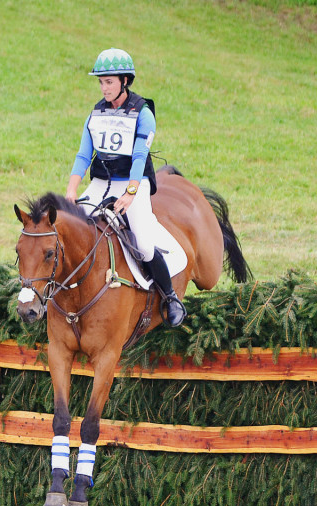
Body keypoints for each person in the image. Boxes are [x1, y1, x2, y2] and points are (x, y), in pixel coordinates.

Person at [65, 47, 185, 327]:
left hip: (134, 182)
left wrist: (130, 193)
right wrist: (72, 190)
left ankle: (169, 297)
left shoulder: (143, 113)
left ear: (125, 81)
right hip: (100, 183)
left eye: (109, 82)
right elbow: (83, 155)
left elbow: (140, 157)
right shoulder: (96, 113)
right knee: (71, 230)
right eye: (101, 82)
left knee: (142, 243)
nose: (104, 88)